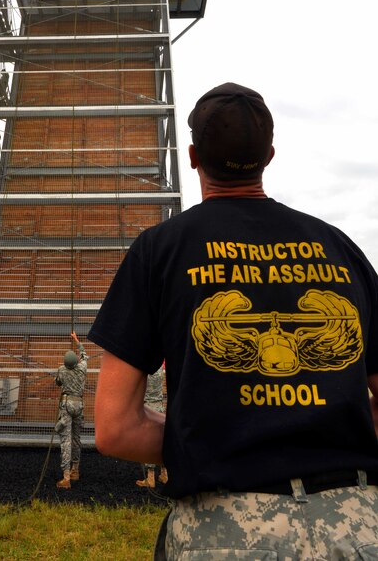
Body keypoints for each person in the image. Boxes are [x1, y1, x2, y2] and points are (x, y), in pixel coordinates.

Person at [89, 82, 378, 559]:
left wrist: (217, 437)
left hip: (225, 533)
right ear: (269, 154)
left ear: (194, 156)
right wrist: (330, 428)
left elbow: (115, 428)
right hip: (359, 527)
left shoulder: (160, 251)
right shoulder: (340, 247)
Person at [54, 331, 87, 489]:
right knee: (76, 438)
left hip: (66, 406)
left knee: (66, 440)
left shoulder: (62, 370)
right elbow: (84, 355)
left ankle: (66, 477)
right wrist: (77, 341)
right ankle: (75, 470)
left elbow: (58, 383)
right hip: (79, 405)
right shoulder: (82, 369)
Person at [135, 364, 168, 489]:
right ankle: (165, 474)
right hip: (160, 407)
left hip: (149, 408)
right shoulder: (160, 372)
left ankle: (150, 478)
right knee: (161, 441)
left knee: (149, 442)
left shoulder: (146, 372)